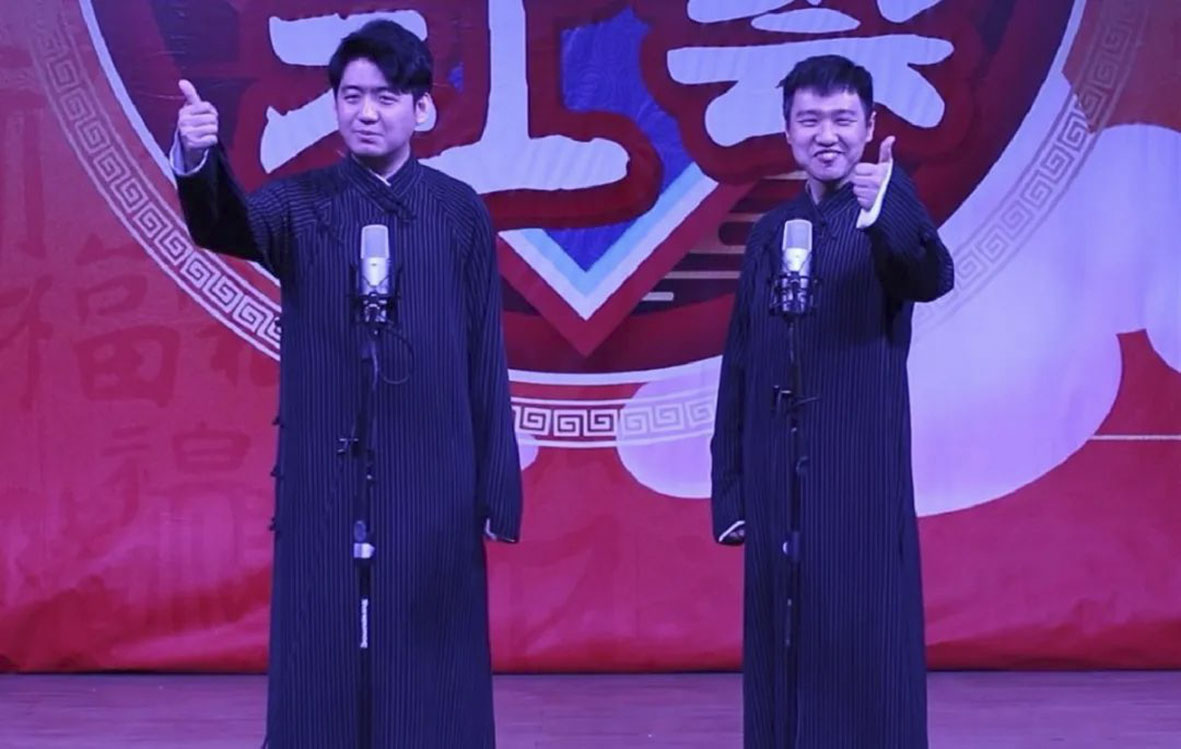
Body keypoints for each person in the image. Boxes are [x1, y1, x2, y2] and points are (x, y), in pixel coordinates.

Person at [171, 20, 522, 748]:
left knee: (432, 643)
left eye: (385, 97)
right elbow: (226, 224)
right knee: (320, 639)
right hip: (326, 471)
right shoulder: (302, 204)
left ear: (421, 108)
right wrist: (198, 157)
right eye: (351, 96)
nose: (366, 112)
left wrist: (496, 485)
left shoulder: (458, 211)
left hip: (434, 472)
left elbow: (484, 354)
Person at [710, 54, 954, 748]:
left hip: (858, 476)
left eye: (843, 119)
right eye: (809, 119)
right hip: (776, 478)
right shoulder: (771, 232)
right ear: (787, 131)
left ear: (869, 126)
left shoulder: (886, 215)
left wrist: (887, 206)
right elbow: (740, 364)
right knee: (781, 647)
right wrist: (732, 492)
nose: (827, 135)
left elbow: (930, 275)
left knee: (862, 644)